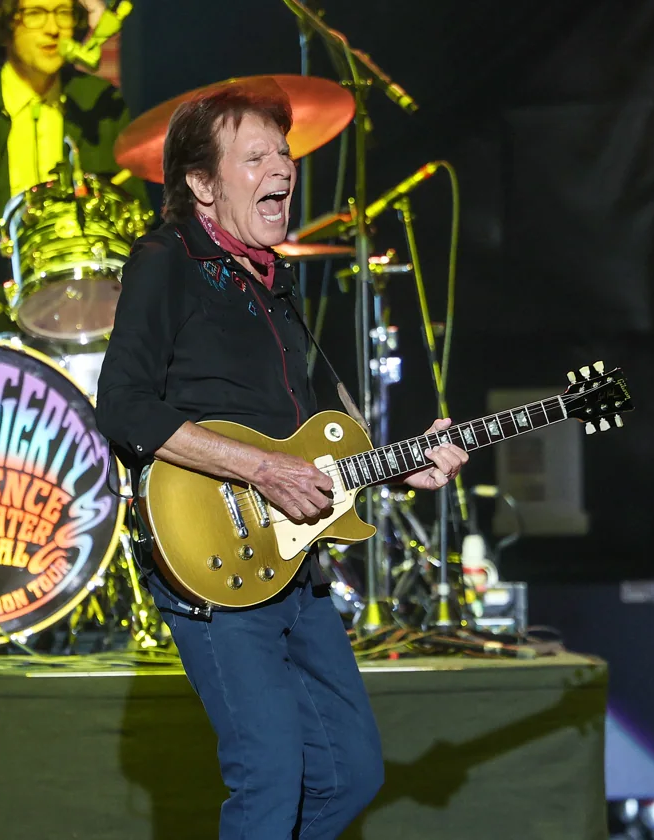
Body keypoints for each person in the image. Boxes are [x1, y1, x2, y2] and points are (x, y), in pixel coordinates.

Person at [94, 82, 468, 839]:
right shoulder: (166, 259)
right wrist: (260, 472)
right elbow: (125, 409)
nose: (283, 169)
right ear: (202, 184)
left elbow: (324, 432)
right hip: (213, 557)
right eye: (256, 155)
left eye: (285, 154)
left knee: (350, 771)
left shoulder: (276, 282)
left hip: (295, 561)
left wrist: (401, 465)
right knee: (269, 775)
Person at [0, 0, 149, 337]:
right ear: (5, 25)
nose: (52, 28)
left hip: (86, 298)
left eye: (63, 12)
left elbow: (137, 220)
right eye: (36, 13)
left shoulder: (100, 104)